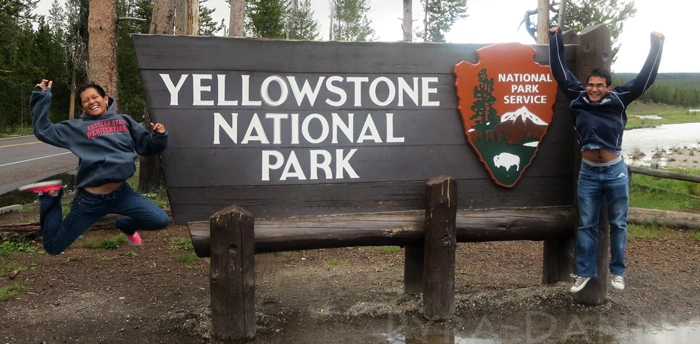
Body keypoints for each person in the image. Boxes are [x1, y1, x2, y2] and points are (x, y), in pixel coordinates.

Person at [548, 27, 664, 293]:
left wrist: (656, 46)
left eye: (600, 85)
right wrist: (555, 38)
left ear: (608, 87)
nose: (594, 89)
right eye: (591, 84)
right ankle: (585, 272)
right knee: (586, 224)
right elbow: (559, 72)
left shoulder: (619, 98)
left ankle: (618, 272)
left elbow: (646, 79)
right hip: (588, 173)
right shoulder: (578, 97)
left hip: (615, 173)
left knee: (618, 224)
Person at [19, 79, 171, 255]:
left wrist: (159, 136)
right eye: (85, 100)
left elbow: (147, 146)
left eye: (94, 97)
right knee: (53, 247)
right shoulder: (76, 128)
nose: (91, 102)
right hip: (90, 201)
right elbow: (43, 130)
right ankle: (50, 195)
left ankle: (124, 224)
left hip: (122, 194)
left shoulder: (125, 121)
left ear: (106, 99)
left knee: (160, 220)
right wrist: (41, 97)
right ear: (83, 107)